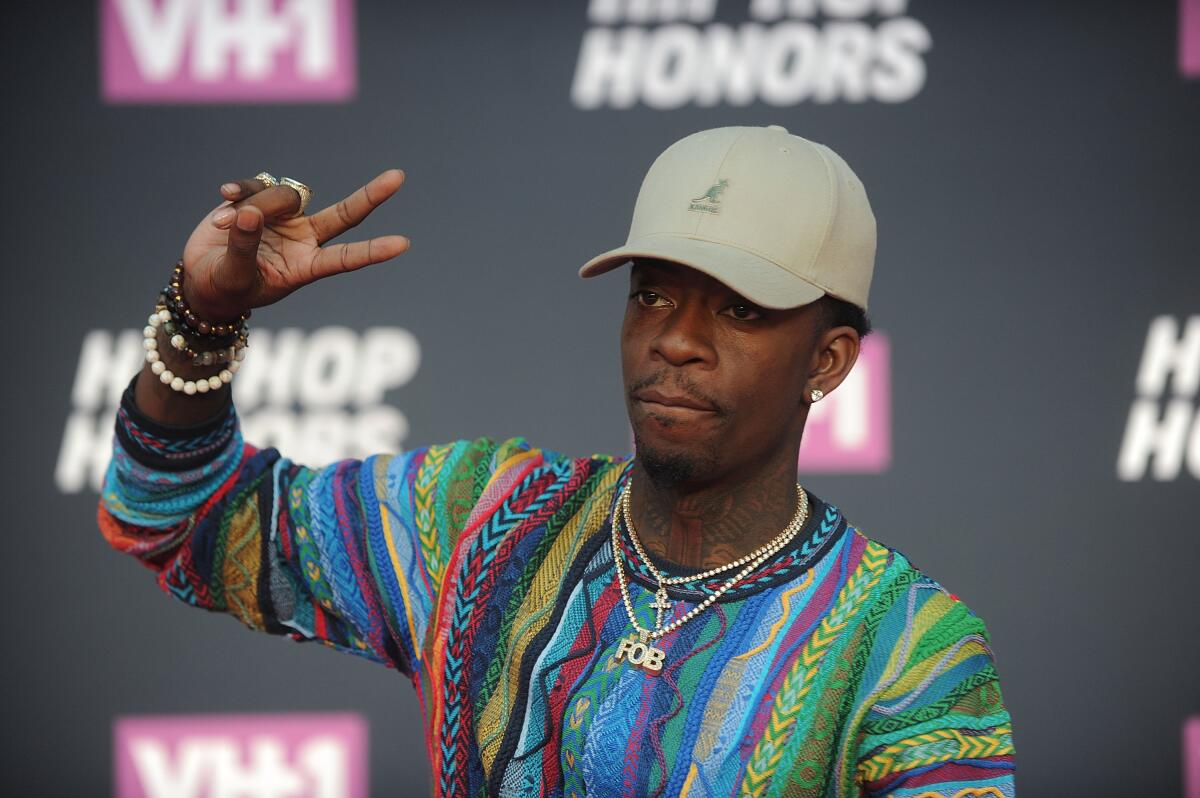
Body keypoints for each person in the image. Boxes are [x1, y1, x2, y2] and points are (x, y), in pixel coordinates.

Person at [99, 126, 1015, 797]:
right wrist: (204, 318)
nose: (678, 341)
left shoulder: (908, 654)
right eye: (653, 294)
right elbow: (184, 521)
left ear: (828, 359)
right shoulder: (482, 521)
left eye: (739, 310)